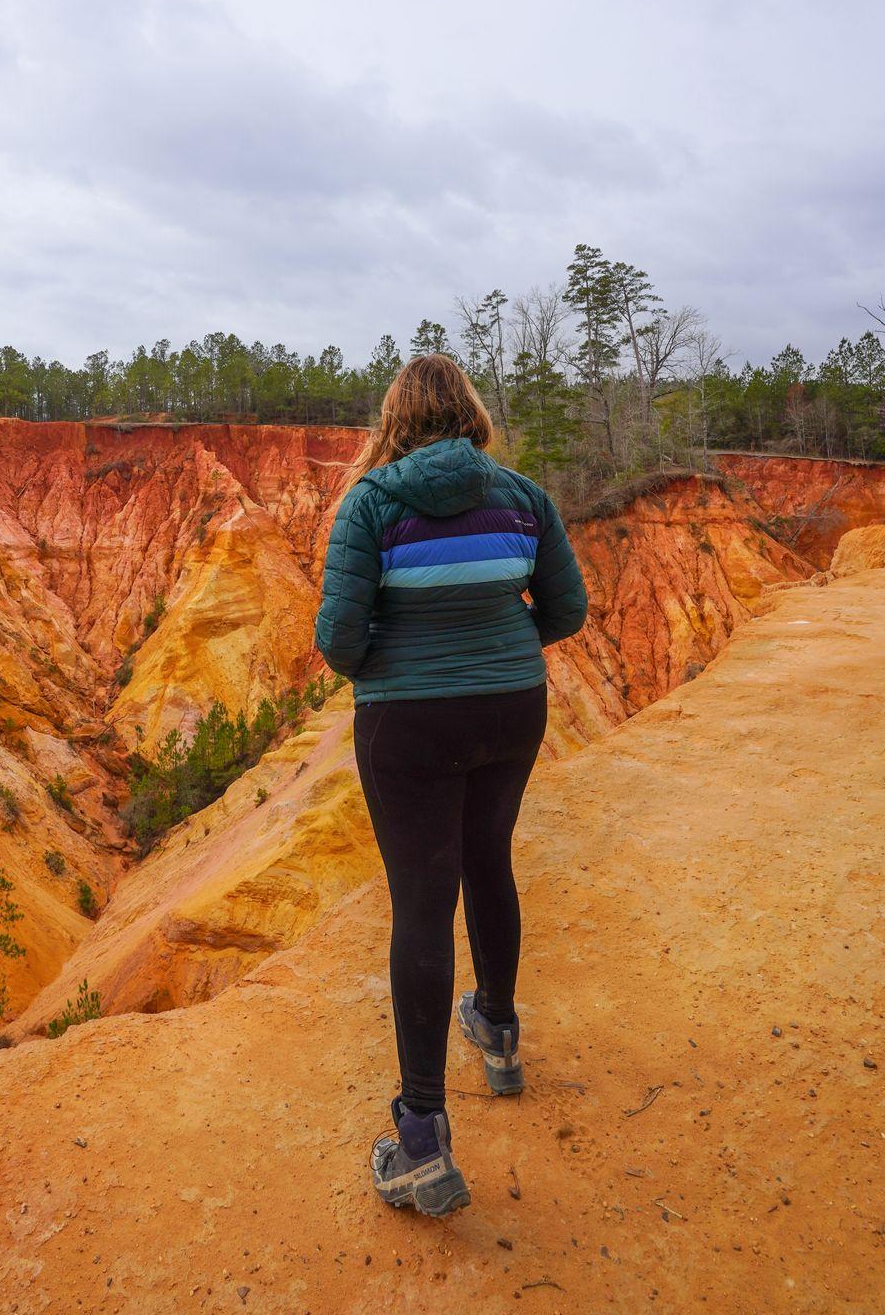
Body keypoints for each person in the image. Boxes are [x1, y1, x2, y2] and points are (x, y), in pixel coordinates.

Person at [313, 352, 588, 1218]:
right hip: (512, 710)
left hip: (410, 723)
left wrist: (401, 660)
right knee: (488, 863)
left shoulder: (373, 502)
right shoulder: (521, 496)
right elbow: (568, 610)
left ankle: (423, 1136)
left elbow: (340, 640)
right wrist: (498, 651)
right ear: (469, 413)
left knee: (423, 904)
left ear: (396, 418)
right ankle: (499, 1035)